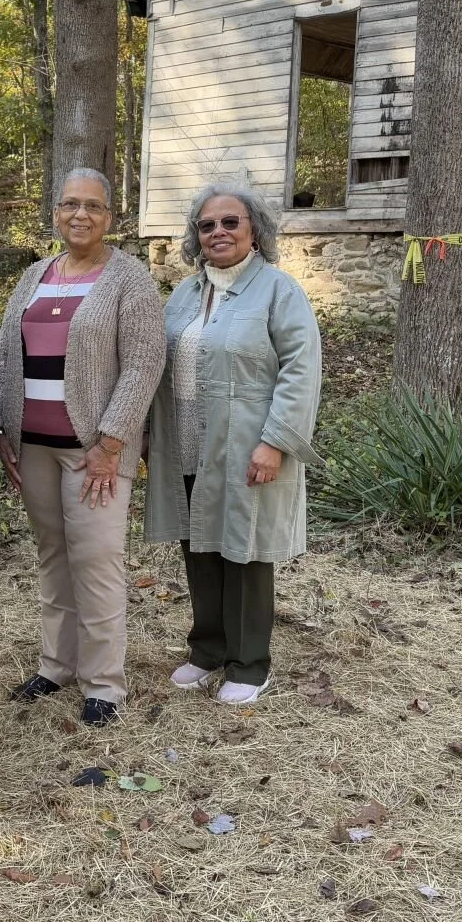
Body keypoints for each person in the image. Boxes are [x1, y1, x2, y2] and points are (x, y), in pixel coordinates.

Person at [0, 168, 165, 726]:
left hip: (93, 451)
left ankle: (104, 684)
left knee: (96, 562)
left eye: (92, 205)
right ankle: (56, 663)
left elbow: (143, 363)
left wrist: (111, 443)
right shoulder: (36, 274)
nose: (80, 214)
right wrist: (2, 427)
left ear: (109, 217)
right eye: (69, 204)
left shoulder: (129, 278)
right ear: (55, 212)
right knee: (53, 557)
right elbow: (4, 354)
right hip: (34, 446)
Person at [145, 182, 323, 706]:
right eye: (207, 225)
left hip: (249, 446)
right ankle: (207, 652)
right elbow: (160, 365)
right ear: (194, 237)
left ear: (254, 232)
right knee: (199, 545)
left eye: (230, 222)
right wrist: (150, 436)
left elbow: (301, 369)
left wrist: (276, 442)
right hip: (187, 443)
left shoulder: (278, 290)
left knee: (243, 551)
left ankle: (249, 663)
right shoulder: (182, 295)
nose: (217, 232)